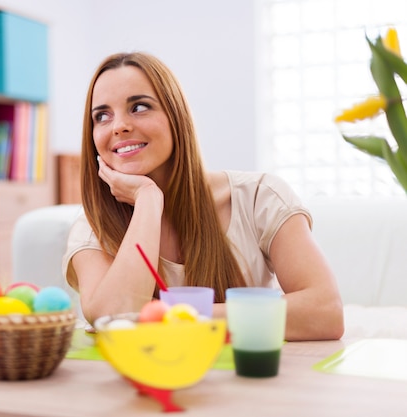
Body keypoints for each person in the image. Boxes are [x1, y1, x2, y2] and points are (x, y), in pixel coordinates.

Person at [61, 52, 344, 341]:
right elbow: (116, 318)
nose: (118, 125)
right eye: (102, 116)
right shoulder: (92, 227)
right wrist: (148, 200)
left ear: (176, 115)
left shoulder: (259, 197)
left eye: (140, 106)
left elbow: (325, 313)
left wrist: (172, 316)